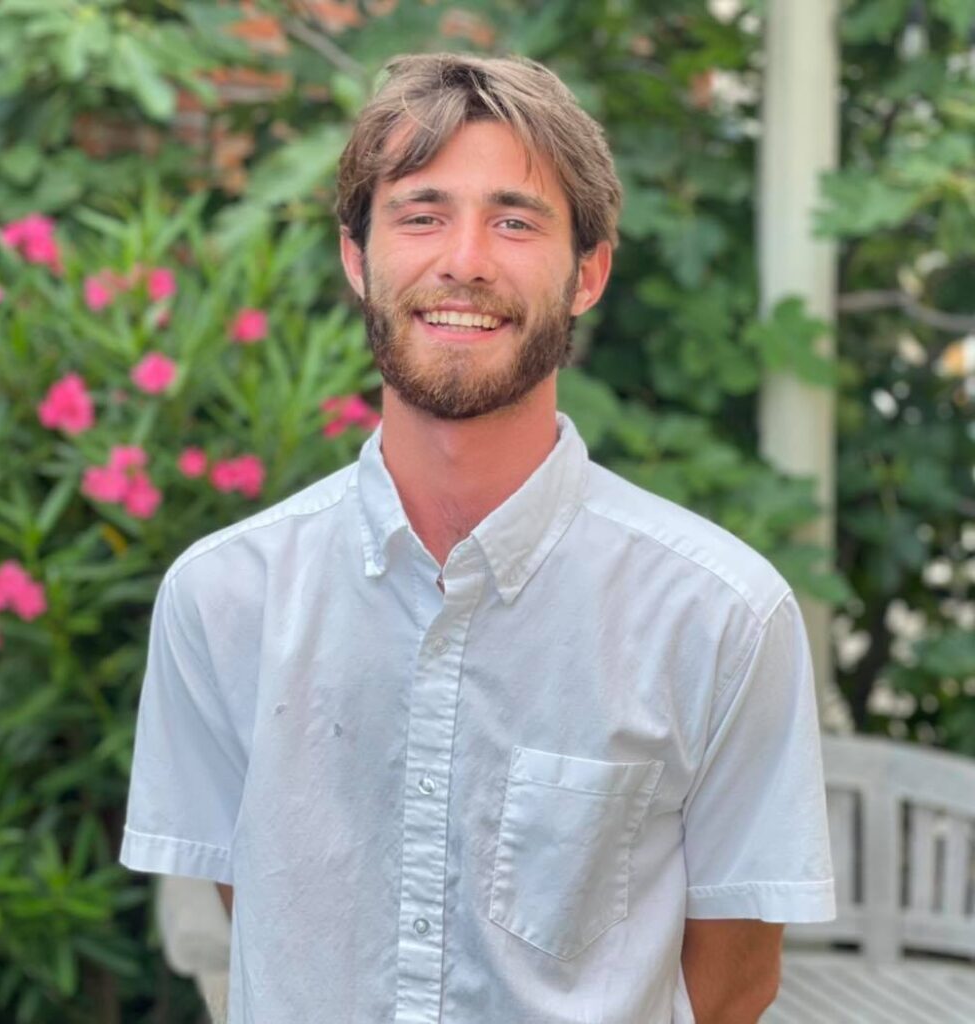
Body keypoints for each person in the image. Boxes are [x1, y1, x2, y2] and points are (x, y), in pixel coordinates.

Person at [120, 52, 835, 1023]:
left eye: (514, 220)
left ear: (588, 270)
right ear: (356, 256)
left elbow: (737, 974)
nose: (464, 260)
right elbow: (260, 908)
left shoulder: (719, 616)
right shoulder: (224, 597)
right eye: (420, 215)